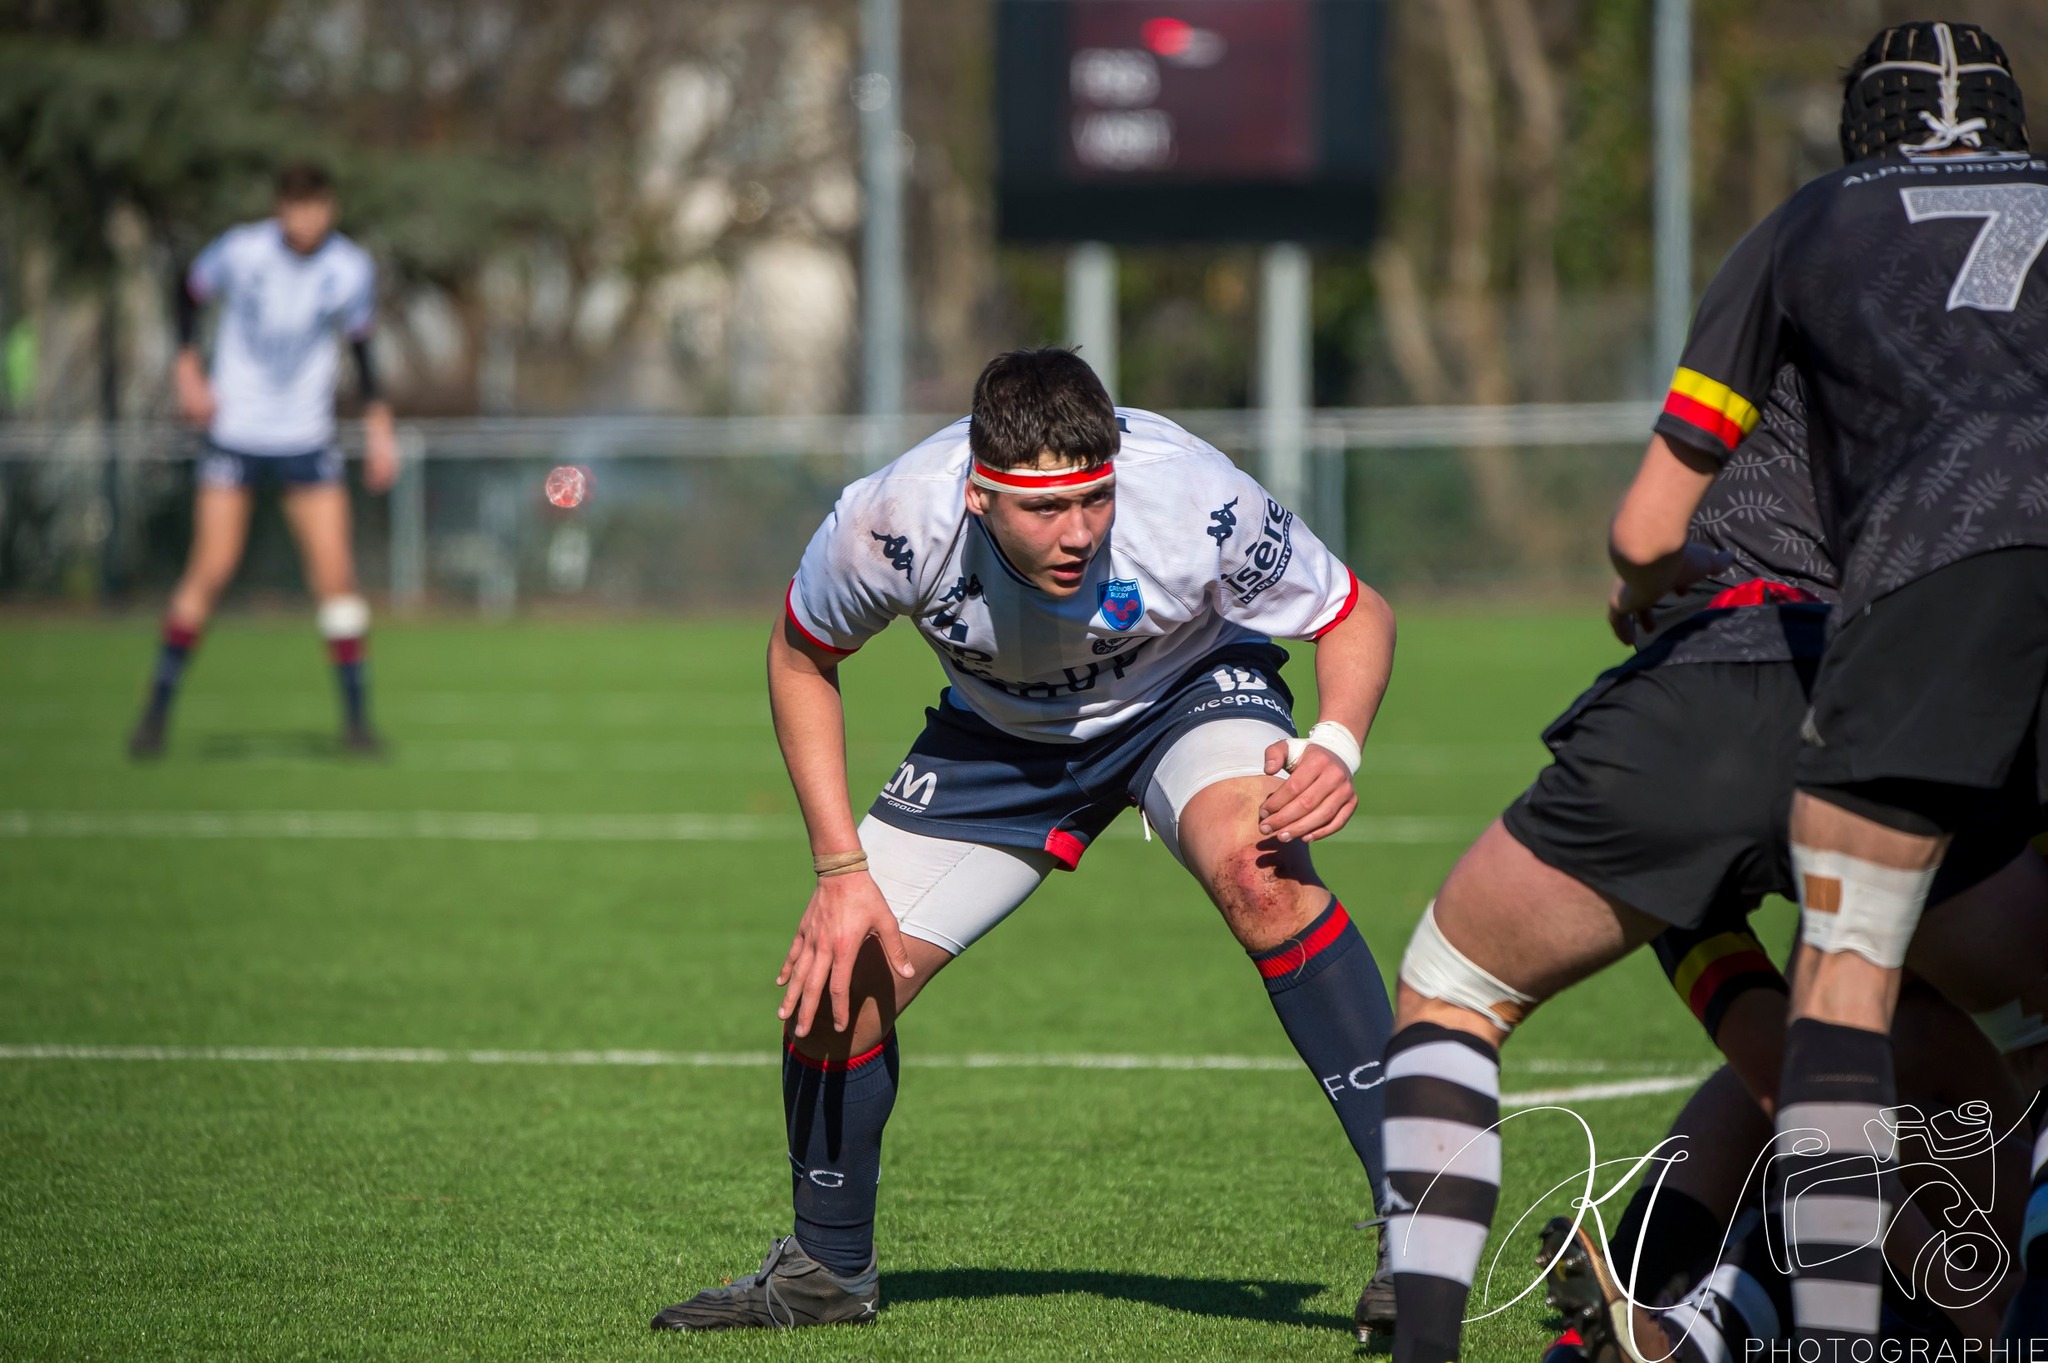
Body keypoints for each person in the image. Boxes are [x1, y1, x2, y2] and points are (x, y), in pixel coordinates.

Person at [1382, 23, 2048, 1355]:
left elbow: (1643, 531)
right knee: (1960, 1029)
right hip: (1942, 686)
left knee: (1463, 980)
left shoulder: (1807, 246)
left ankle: (1608, 1306)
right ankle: (1811, 1300)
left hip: (1739, 681)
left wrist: (1645, 590)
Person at [650, 347, 1401, 1334]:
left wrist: (1335, 744)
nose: (1078, 532)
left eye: (1092, 500)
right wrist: (839, 870)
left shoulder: (1191, 495)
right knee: (840, 982)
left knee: (1259, 873)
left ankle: (1420, 1222)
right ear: (975, 495)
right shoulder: (888, 522)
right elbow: (800, 654)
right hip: (998, 740)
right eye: (1044, 511)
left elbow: (1353, 612)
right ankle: (826, 1272)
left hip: (1185, 695)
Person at [128, 162, 396, 758]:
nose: (308, 219)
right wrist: (186, 368)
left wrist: (380, 428)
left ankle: (356, 724)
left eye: (318, 207)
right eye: (297, 207)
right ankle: (155, 713)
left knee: (337, 577)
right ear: (280, 209)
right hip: (236, 431)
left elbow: (363, 348)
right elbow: (187, 291)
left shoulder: (349, 269)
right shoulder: (242, 251)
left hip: (307, 436)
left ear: (331, 209)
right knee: (211, 570)